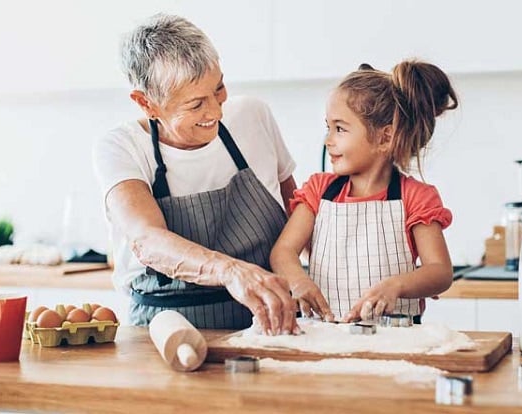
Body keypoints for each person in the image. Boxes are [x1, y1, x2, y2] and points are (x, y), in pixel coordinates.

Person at [92, 14, 299, 335]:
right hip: (165, 331)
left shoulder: (253, 116)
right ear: (146, 103)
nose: (216, 111)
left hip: (269, 323)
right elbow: (147, 239)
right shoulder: (120, 147)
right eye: (196, 104)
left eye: (219, 89)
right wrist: (231, 272)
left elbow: (297, 211)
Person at [270, 60, 457, 323]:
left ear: (385, 138)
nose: (328, 140)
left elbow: (440, 271)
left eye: (340, 129)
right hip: (326, 334)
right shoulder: (318, 190)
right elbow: (283, 251)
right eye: (328, 127)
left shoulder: (415, 197)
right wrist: (298, 281)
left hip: (396, 338)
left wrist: (396, 286)